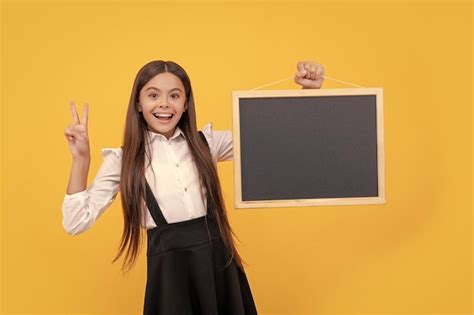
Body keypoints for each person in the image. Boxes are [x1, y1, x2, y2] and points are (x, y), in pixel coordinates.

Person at [62, 60, 325, 314]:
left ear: (186, 103)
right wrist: (81, 159)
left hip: (219, 265)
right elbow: (75, 222)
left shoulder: (206, 143)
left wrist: (307, 92)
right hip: (170, 278)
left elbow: (273, 138)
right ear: (139, 104)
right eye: (153, 95)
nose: (164, 103)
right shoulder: (123, 160)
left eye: (174, 96)